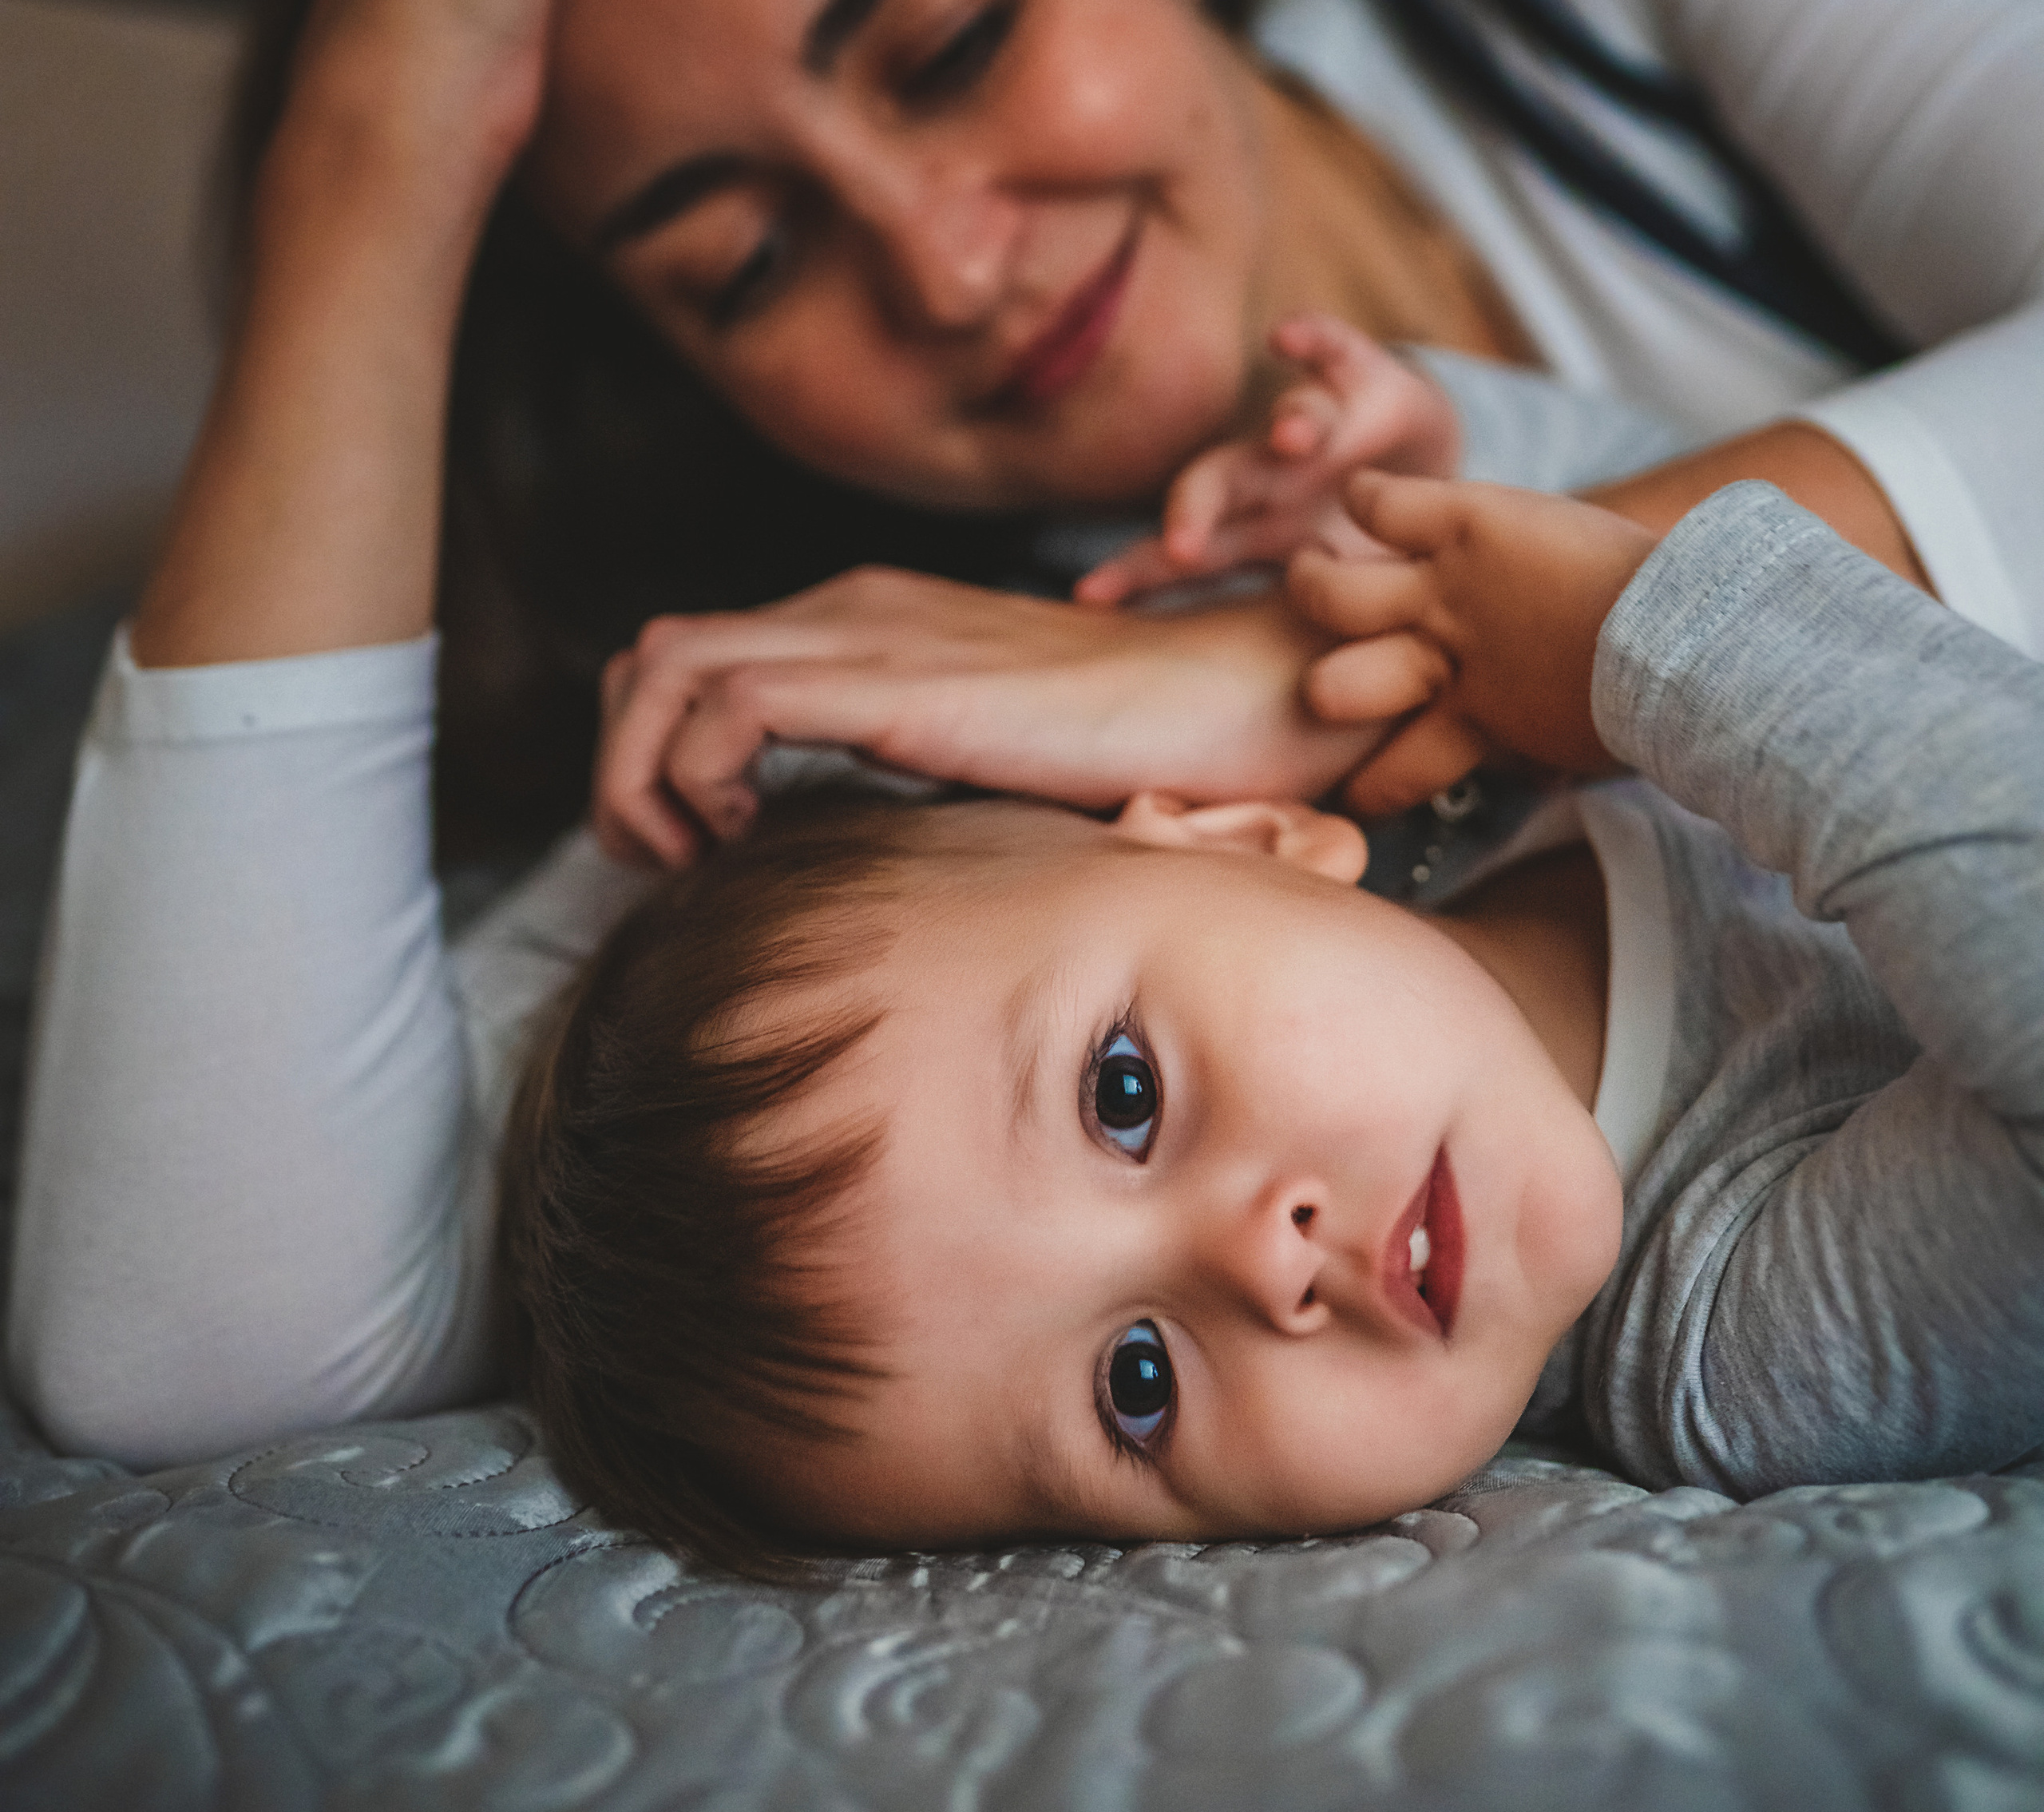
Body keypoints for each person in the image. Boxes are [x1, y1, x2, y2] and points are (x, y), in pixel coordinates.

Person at [11, 0, 2044, 1465]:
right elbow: (193, 1343)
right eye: (745, 261)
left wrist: (1299, 656)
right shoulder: (899, 767)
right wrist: (374, 161)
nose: (947, 263)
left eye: (952, 40)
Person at [500, 470, 2044, 1575]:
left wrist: (1406, 487)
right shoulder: (1738, 1342)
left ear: (1247, 832)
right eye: (1138, 1387)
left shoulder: (1455, 754)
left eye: (1121, 1096)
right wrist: (1620, 634)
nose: (1260, 1261)